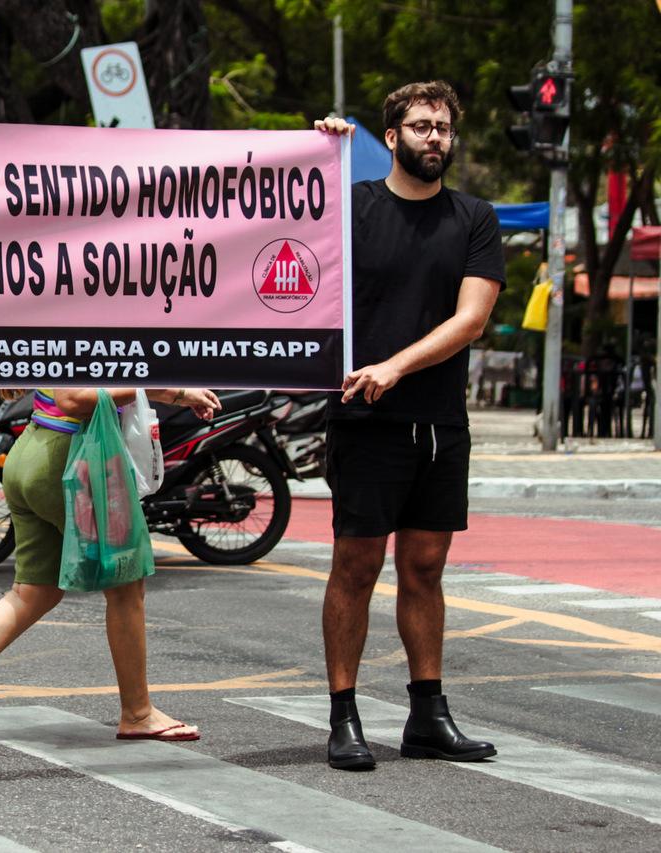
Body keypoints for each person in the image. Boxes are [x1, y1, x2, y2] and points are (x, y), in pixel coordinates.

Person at [315, 81, 504, 770]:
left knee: (424, 568)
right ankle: (343, 716)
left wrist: (394, 365)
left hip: (439, 422)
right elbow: (285, 218)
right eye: (422, 126)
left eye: (444, 128)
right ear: (391, 136)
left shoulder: (474, 217)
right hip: (364, 419)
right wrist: (320, 150)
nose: (435, 138)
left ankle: (428, 716)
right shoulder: (353, 209)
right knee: (356, 565)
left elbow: (471, 319)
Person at [0, 387, 219, 745]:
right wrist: (171, 392)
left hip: (33, 449)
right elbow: (74, 398)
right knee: (125, 587)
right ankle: (138, 713)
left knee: (34, 590)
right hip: (72, 457)